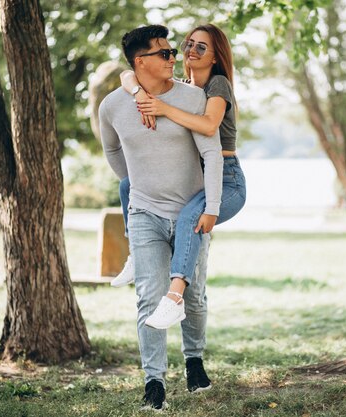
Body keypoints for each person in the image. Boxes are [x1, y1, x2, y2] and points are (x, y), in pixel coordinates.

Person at [99, 24, 223, 410]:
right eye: (165, 53)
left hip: (191, 214)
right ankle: (154, 382)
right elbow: (112, 151)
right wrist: (136, 183)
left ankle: (194, 360)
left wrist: (212, 209)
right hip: (144, 213)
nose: (175, 58)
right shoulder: (113, 106)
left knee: (195, 296)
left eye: (172, 52)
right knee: (149, 298)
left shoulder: (193, 97)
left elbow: (212, 154)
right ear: (140, 62)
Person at [111, 24, 247, 329]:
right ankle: (134, 253)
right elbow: (126, 74)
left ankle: (174, 298)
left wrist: (161, 107)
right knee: (127, 185)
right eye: (189, 44)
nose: (191, 50)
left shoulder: (218, 84)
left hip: (227, 179)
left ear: (215, 57)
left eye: (202, 47)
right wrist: (136, 92)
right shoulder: (184, 87)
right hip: (197, 177)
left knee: (189, 218)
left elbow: (209, 125)